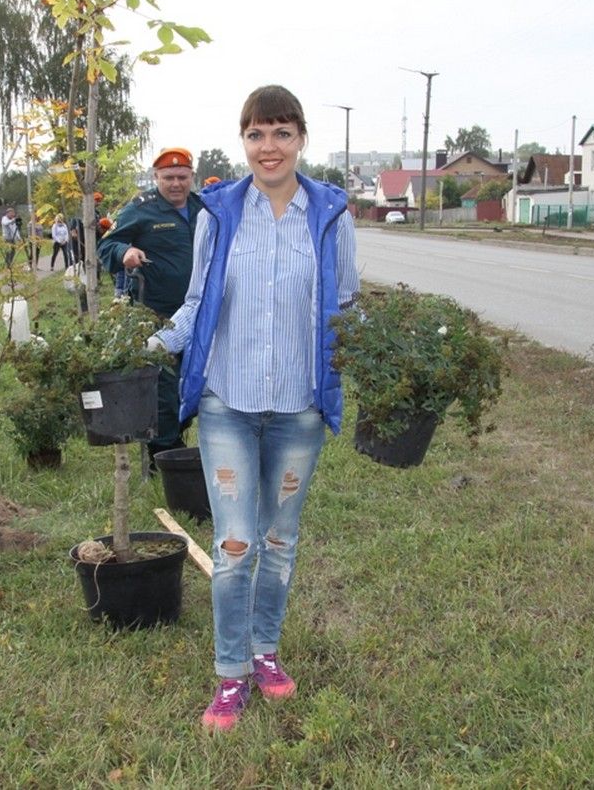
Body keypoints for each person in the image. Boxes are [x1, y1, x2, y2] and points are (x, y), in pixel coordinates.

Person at [152, 86, 358, 731]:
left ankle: (266, 651)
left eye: (281, 132)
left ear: (301, 138)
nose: (268, 147)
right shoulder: (218, 212)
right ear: (243, 141)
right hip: (228, 405)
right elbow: (195, 303)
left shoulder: (329, 213)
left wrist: (384, 357)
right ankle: (230, 673)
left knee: (280, 540)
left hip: (299, 407)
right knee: (236, 544)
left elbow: (348, 305)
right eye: (256, 134)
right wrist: (149, 345)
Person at [97, 146, 205, 460]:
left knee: (197, 382)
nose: (176, 184)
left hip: (202, 313)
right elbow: (109, 245)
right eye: (168, 177)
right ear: (155, 176)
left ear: (191, 177)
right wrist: (124, 254)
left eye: (182, 177)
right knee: (164, 387)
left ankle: (179, 436)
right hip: (158, 314)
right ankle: (164, 453)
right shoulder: (141, 208)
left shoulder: (203, 209)